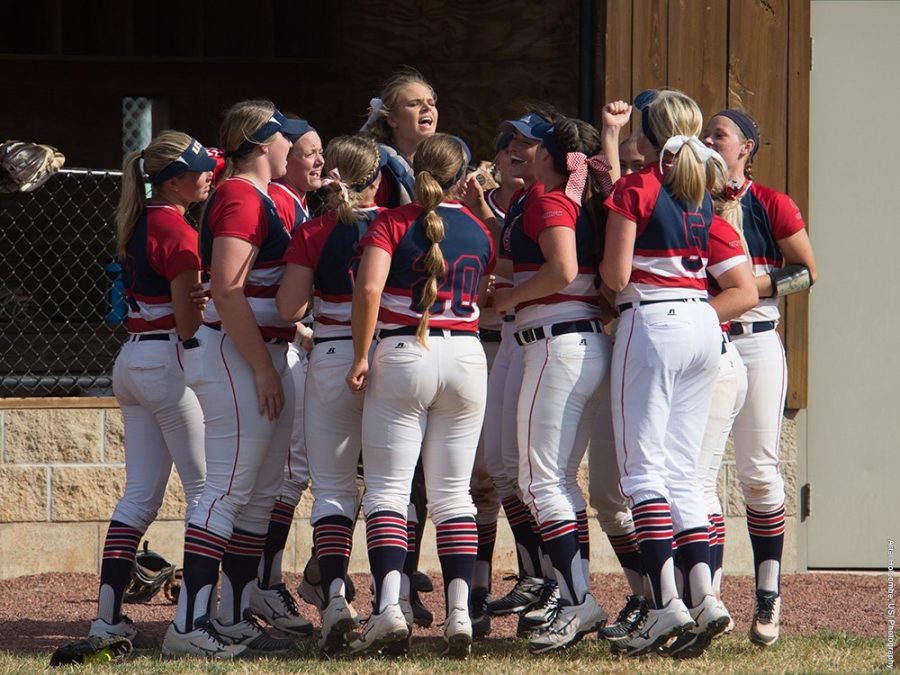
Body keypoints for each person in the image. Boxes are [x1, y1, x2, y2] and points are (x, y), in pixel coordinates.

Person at [600, 89, 758, 657]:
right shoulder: (701, 190)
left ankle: (666, 607)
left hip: (653, 320)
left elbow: (617, 278)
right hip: (701, 324)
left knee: (642, 473)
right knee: (687, 477)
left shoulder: (635, 187)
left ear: (649, 134)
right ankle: (705, 598)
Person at [162, 100, 305, 658]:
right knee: (224, 492)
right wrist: (265, 367)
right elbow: (226, 289)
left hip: (261, 350)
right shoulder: (242, 194)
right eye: (282, 135)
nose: (290, 144)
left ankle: (234, 614)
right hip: (236, 354)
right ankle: (188, 626)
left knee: (257, 495)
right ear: (262, 142)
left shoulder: (267, 195)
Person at [345, 134, 494, 659]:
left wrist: (360, 355)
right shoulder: (478, 228)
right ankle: (459, 615)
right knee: (455, 495)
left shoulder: (391, 219)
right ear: (464, 176)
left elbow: (368, 290)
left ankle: (389, 609)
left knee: (388, 491)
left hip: (405, 349)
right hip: (466, 355)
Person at [490, 111, 626, 654]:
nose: (521, 146)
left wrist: (510, 298)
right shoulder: (569, 196)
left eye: (529, 140)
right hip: (576, 340)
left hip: (556, 341)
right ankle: (575, 597)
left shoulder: (549, 198)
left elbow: (563, 269)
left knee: (542, 482)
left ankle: (577, 600)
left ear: (549, 153)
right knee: (554, 483)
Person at [89, 132, 213, 649]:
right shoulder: (178, 231)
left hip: (133, 358)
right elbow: (188, 325)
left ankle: (106, 618)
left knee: (139, 495)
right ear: (174, 180)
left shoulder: (140, 217)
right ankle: (195, 620)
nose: (209, 174)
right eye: (201, 168)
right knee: (208, 494)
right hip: (167, 360)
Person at [703, 107, 817, 647]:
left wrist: (758, 284)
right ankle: (707, 598)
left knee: (758, 472)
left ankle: (768, 596)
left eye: (718, 134)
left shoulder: (771, 202)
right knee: (698, 476)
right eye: (704, 133)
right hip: (702, 341)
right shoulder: (690, 199)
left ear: (746, 146)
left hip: (755, 339)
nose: (708, 139)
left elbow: (808, 273)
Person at [276, 133, 386, 653]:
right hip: (390, 356)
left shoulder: (315, 228)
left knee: (334, 489)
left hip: (333, 355)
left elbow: (289, 309)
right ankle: (394, 602)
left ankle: (336, 597)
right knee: (391, 489)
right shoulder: (400, 224)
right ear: (378, 180)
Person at [360, 67, 441, 626]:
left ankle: (405, 579)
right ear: (390, 117)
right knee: (383, 474)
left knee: (423, 477)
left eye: (431, 102)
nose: (427, 110)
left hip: (436, 339)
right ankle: (355, 582)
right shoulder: (378, 171)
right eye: (414, 104)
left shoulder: (445, 165)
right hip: (383, 334)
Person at [251, 116, 323, 636]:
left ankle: (260, 579)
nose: (319, 161)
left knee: (285, 473)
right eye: (308, 152)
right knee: (283, 474)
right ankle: (261, 581)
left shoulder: (294, 200)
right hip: (274, 346)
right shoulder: (277, 197)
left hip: (286, 342)